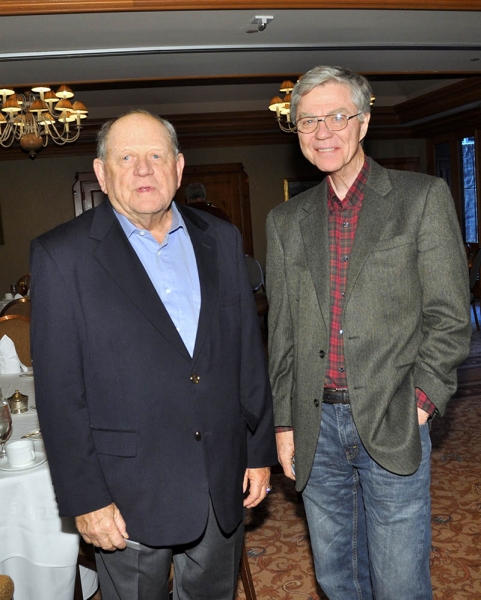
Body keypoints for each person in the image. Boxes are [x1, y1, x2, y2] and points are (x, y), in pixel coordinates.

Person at [30, 109, 276, 600]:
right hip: (126, 493)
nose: (143, 169)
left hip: (219, 476)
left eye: (156, 156)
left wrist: (257, 451)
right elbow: (59, 395)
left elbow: (247, 354)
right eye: (126, 158)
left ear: (178, 168)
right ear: (102, 173)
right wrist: (87, 499)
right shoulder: (61, 256)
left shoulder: (221, 239)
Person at [265, 66, 471, 600]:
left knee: (401, 582)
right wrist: (284, 423)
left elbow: (450, 317)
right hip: (315, 428)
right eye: (308, 121)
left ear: (364, 121)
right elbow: (282, 335)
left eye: (337, 116)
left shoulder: (421, 197)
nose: (323, 132)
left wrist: (421, 402)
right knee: (337, 578)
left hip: (393, 415)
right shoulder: (285, 221)